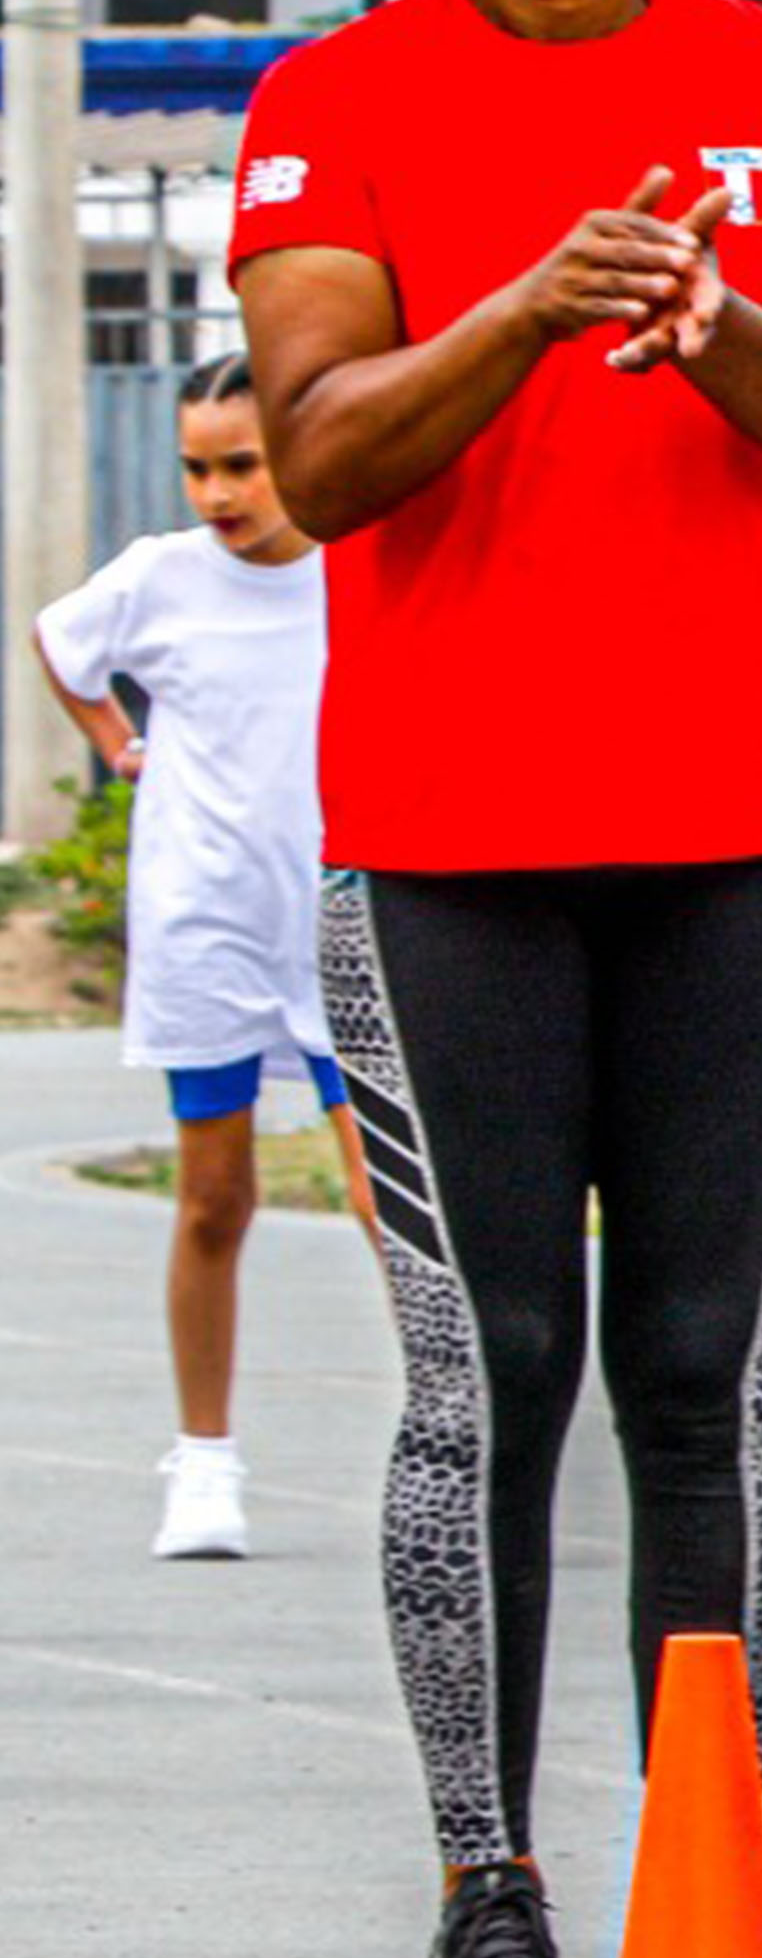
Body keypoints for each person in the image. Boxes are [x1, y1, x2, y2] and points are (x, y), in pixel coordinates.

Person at [229, 0, 762, 1958]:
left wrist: (718, 327)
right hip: (445, 839)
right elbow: (311, 460)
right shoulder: (334, 99)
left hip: (740, 819)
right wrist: (519, 311)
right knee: (485, 1365)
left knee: (711, 1363)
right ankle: (485, 1886)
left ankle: (707, 1895)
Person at [32, 351, 366, 1559]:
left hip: (342, 917)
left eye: (243, 465)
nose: (219, 494)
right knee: (214, 1197)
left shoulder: (359, 568)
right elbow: (61, 645)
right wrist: (120, 744)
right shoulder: (158, 580)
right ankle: (206, 1460)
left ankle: (454, 1435)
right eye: (197, 469)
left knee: (394, 1202)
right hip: (206, 922)